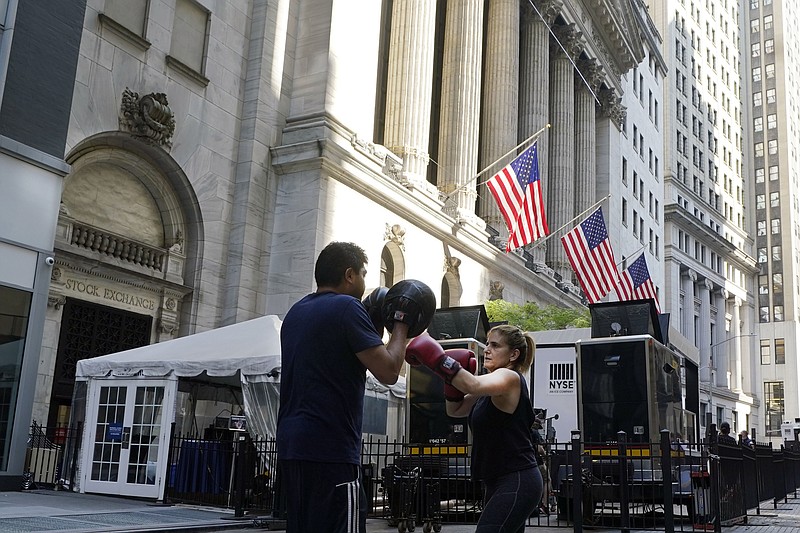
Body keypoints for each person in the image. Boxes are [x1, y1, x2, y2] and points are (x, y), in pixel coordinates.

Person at [276, 242, 411, 533]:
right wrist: (402, 325)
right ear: (349, 275)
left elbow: (339, 357)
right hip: (330, 446)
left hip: (292, 446)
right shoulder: (347, 307)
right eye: (363, 273)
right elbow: (389, 371)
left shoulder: (296, 313)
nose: (365, 281)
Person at [406, 324, 543, 533]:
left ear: (514, 354)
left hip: (517, 478)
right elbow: (455, 409)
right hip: (496, 480)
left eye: (496, 345)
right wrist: (449, 382)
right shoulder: (489, 390)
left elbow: (472, 385)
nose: (487, 349)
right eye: (487, 344)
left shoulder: (509, 378)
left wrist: (438, 358)